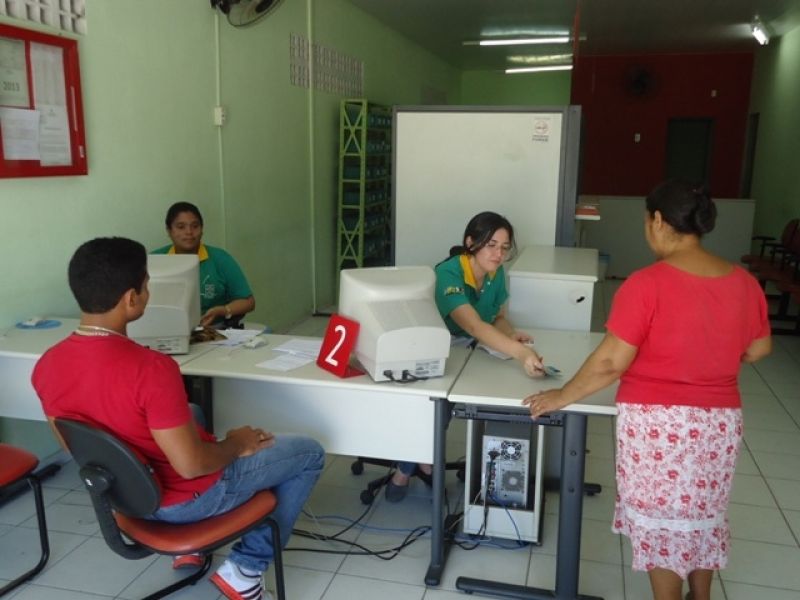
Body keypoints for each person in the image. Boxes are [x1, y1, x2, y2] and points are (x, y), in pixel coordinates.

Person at [32, 237, 324, 600]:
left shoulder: (47, 365)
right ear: (131, 298)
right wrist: (236, 444)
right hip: (185, 502)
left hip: (124, 497)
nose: (148, 292)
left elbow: (77, 446)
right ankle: (246, 569)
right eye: (146, 285)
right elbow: (191, 466)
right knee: (309, 453)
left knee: (192, 412)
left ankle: (192, 552)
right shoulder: (152, 369)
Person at [523, 180, 771, 600]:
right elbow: (759, 348)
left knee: (664, 523)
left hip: (659, 426)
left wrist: (560, 396)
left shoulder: (647, 283)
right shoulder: (744, 282)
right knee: (702, 514)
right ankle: (701, 596)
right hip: (720, 423)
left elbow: (610, 363)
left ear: (658, 220)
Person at [385, 211, 545, 503]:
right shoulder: (449, 273)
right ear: (471, 243)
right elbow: (473, 325)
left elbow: (496, 318)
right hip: (433, 346)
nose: (498, 254)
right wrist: (521, 353)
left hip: (467, 347)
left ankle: (436, 463)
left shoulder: (495, 273)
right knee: (439, 407)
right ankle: (406, 468)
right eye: (491, 245)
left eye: (504, 247)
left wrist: (510, 335)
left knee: (490, 394)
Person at [153, 201, 255, 327]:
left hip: (214, 330)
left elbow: (248, 302)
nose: (189, 232)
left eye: (195, 226)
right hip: (166, 329)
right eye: (181, 227)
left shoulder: (220, 258)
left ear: (202, 229)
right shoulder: (155, 260)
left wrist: (224, 310)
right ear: (169, 231)